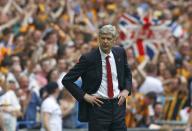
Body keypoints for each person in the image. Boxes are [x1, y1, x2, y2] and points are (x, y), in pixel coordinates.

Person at [62, 24, 132, 131]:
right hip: (98, 107)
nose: (105, 41)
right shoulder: (88, 58)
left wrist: (126, 90)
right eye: (102, 38)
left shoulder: (120, 52)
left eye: (108, 38)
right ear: (98, 39)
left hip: (118, 105)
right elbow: (67, 80)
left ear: (114, 40)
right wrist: (85, 96)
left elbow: (127, 73)